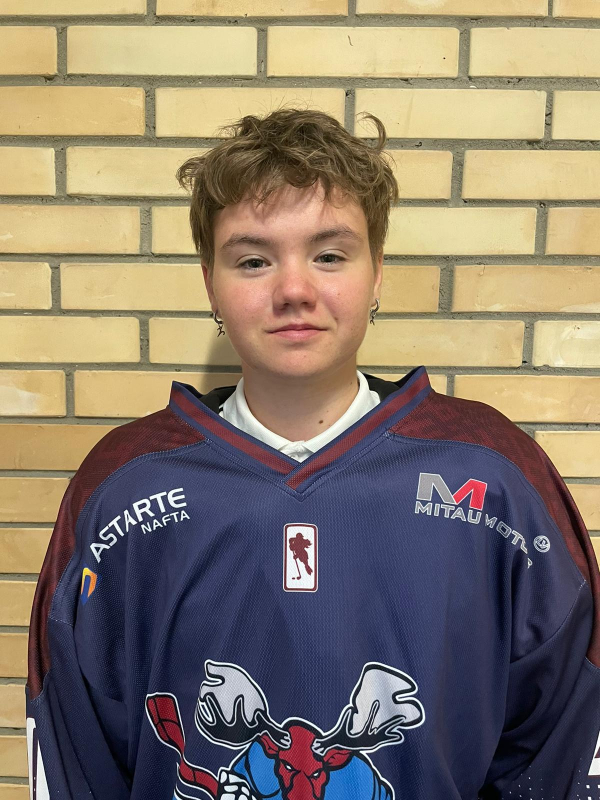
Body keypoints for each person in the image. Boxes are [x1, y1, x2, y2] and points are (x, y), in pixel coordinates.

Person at [26, 108, 600, 800]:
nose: (294, 290)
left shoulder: (493, 475)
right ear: (210, 282)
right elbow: (75, 752)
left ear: (377, 272)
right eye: (253, 260)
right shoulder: (122, 487)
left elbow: (561, 737)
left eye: (329, 255)